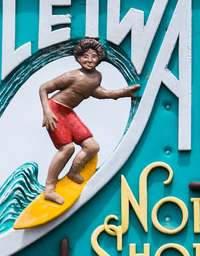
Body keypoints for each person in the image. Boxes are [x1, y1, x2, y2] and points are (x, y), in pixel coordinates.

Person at [38, 38, 139, 204]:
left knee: (92, 147)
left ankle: (73, 173)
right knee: (67, 148)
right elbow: (44, 88)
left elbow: (100, 93)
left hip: (68, 112)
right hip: (55, 109)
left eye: (93, 57)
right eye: (85, 56)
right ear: (78, 58)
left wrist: (124, 92)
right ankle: (49, 189)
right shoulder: (72, 75)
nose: (89, 60)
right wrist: (47, 111)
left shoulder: (96, 77)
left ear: (99, 59)